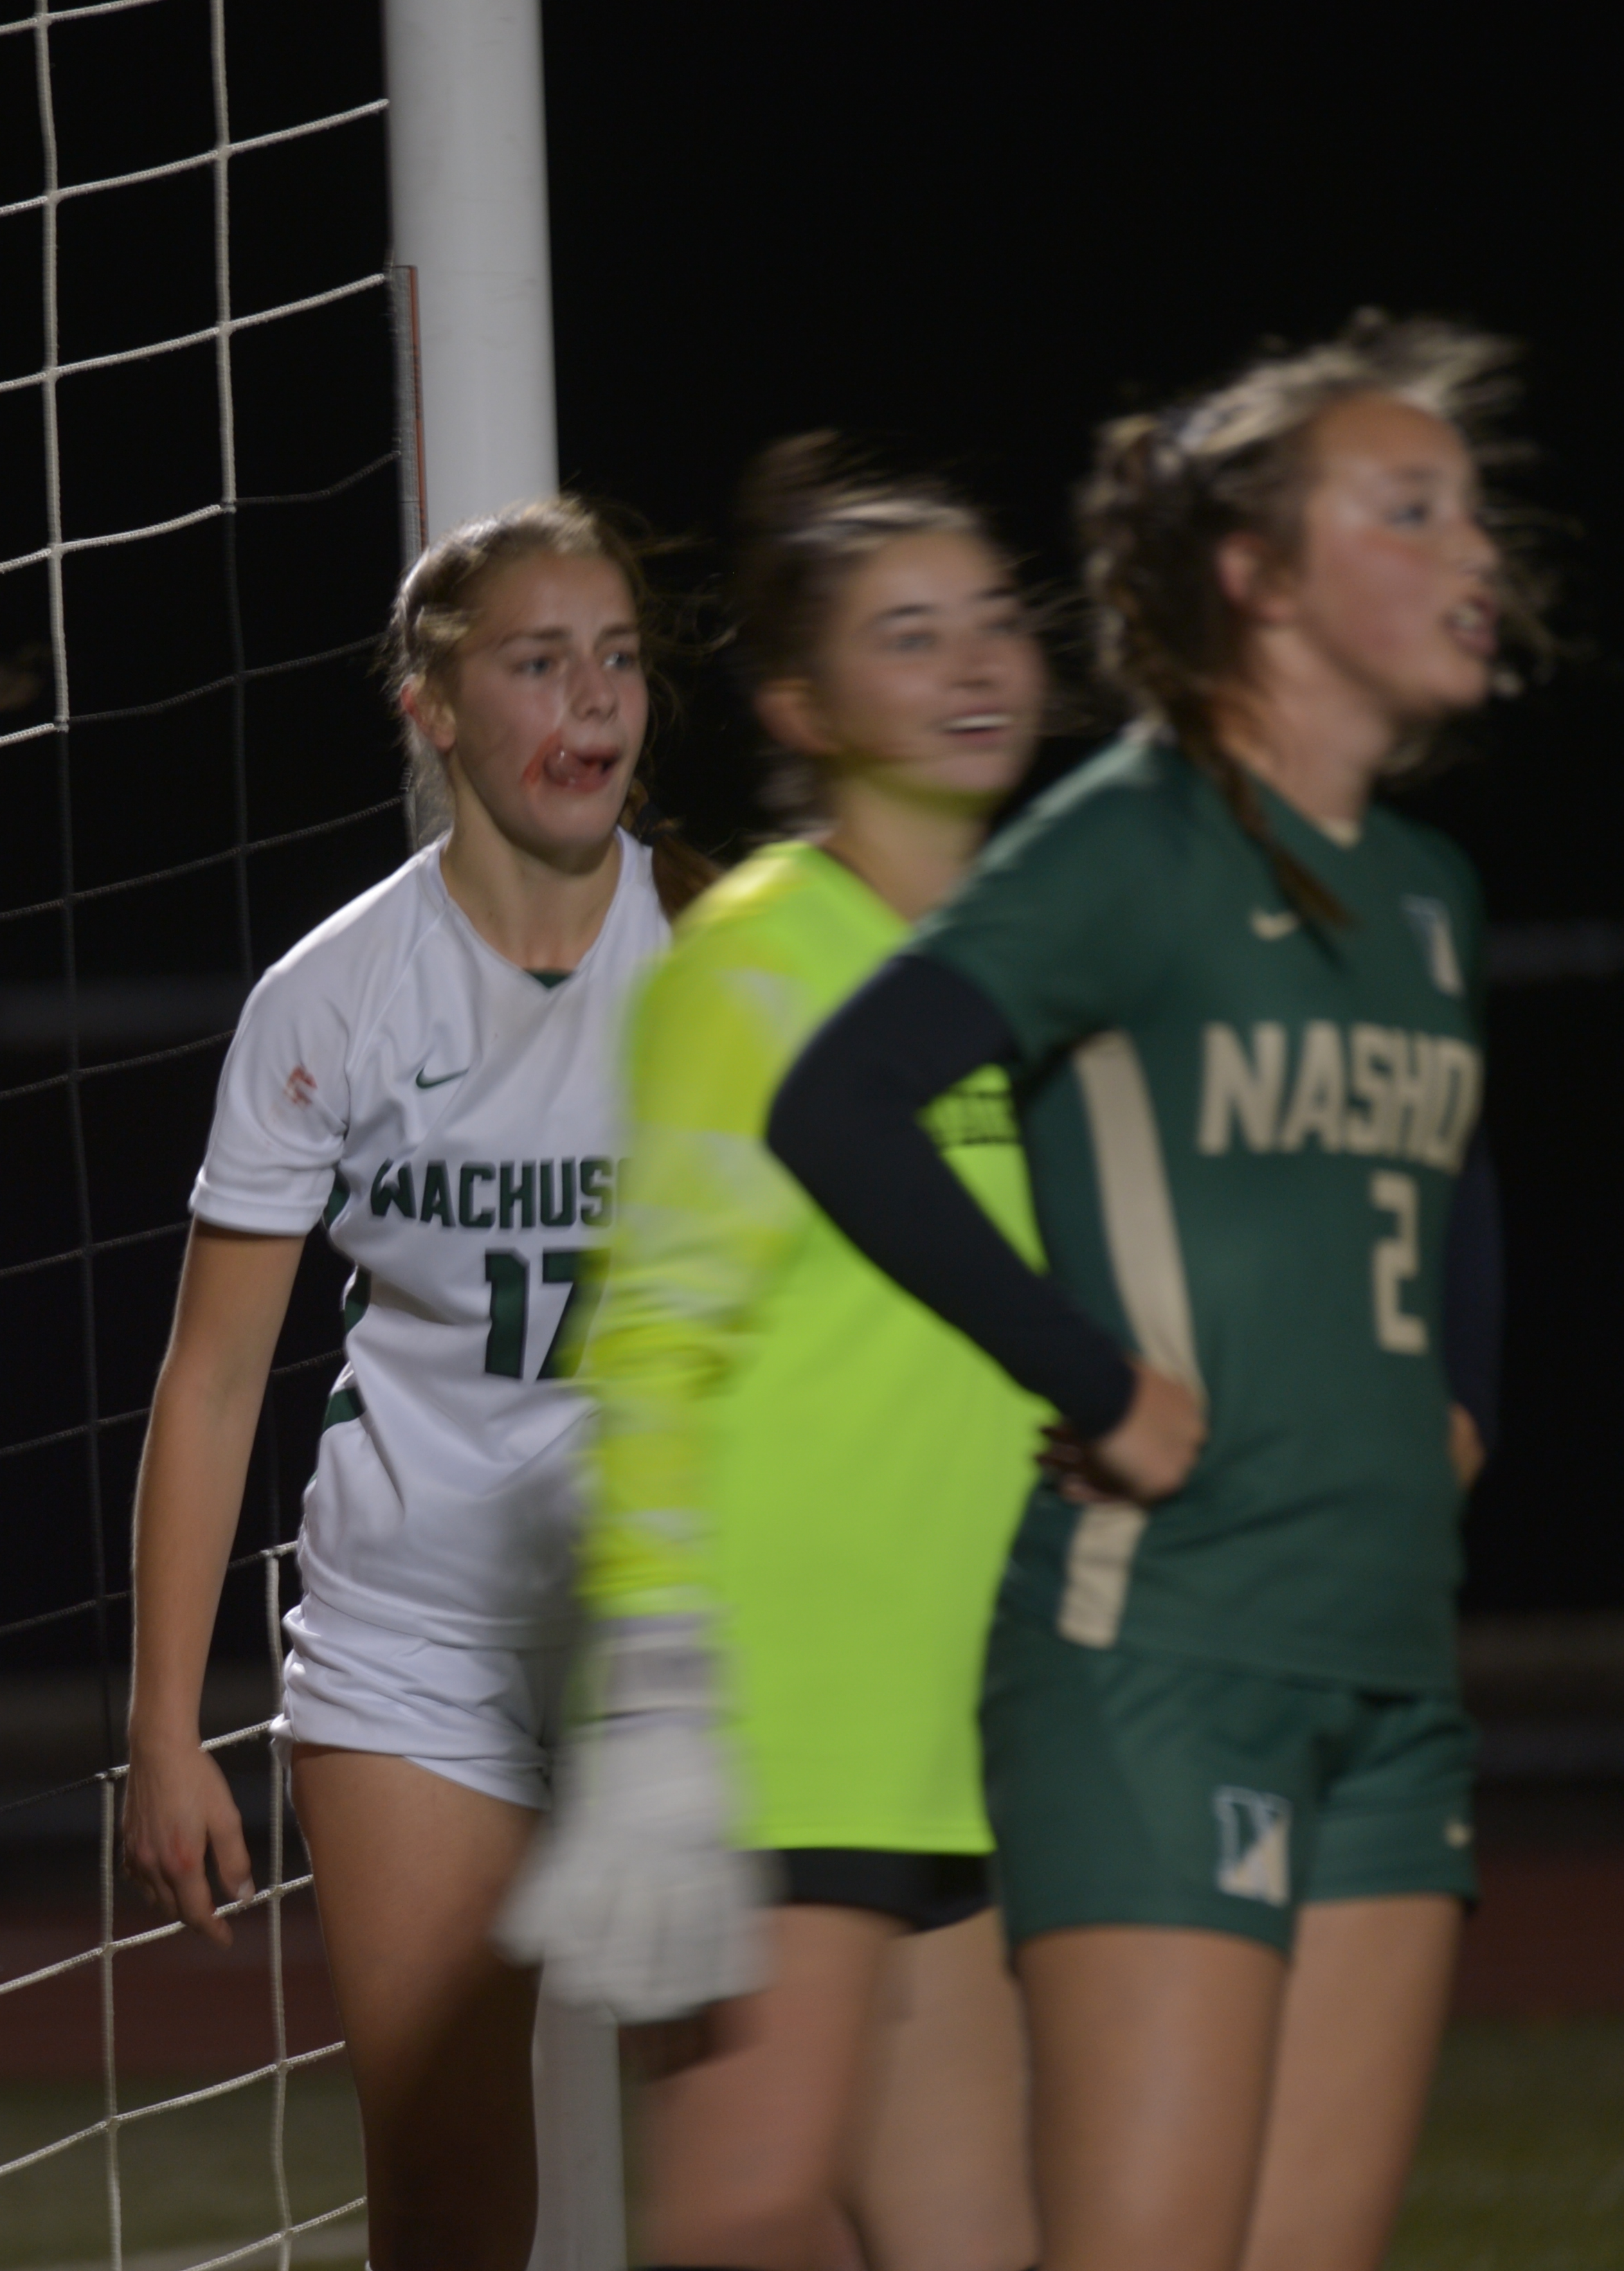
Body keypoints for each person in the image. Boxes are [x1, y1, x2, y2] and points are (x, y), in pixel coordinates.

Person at [764, 315, 1520, 2271]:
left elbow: (1454, 1167)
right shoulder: (1131, 841)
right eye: (1410, 510)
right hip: (1159, 1660)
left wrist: (1462, 1401)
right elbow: (838, 1104)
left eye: (1470, 509)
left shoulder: (1426, 888)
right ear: (1258, 575)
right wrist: (1089, 1378)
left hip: (1391, 1671)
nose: (1474, 551)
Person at [118, 498, 709, 2271]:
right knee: (447, 2202)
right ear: (432, 708)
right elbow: (213, 1377)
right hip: (415, 1635)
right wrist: (163, 1726)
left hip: (681, 1619)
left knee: (747, 2168)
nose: (592, 698)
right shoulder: (331, 997)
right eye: (538, 660)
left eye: (617, 657)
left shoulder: (730, 947)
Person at [503, 438, 1047, 2271]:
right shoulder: (756, 959)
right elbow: (649, 1346)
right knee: (741, 2220)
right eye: (910, 634)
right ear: (800, 706)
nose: (972, 663)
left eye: (992, 619)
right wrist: (663, 1696)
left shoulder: (1020, 964)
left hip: (941, 1724)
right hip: (773, 1720)